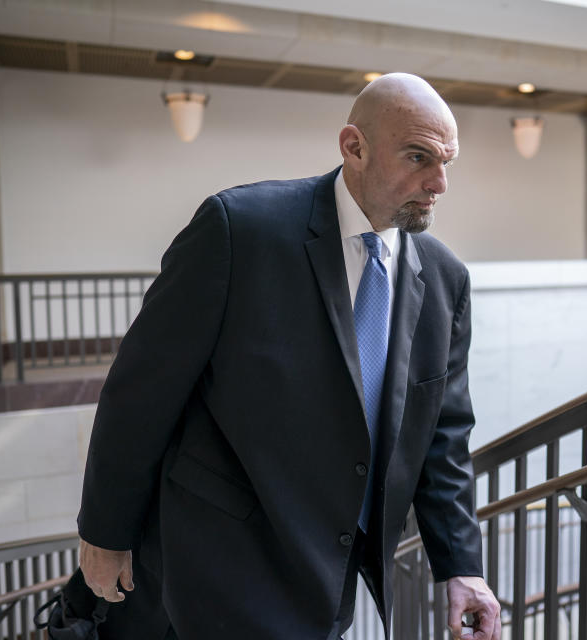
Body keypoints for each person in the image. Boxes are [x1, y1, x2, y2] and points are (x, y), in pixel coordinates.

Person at [76, 73, 502, 639]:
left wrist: (461, 566)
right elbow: (141, 393)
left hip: (335, 580)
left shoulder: (446, 279)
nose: (440, 183)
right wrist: (106, 533)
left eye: (447, 161)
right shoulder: (239, 230)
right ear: (354, 146)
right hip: (226, 566)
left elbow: (443, 437)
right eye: (419, 157)